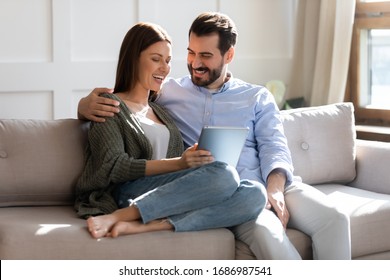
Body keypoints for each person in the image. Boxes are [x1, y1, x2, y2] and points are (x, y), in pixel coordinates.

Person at [78, 13, 351, 259]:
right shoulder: (169, 91)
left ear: (228, 55)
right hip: (216, 187)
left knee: (336, 218)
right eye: (191, 53)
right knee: (268, 231)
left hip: (269, 185)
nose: (195, 63)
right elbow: (127, 100)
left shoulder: (255, 96)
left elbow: (274, 147)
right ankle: (134, 219)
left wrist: (275, 189)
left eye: (206, 56)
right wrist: (83, 107)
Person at [74, 22, 266, 239]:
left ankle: (150, 225)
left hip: (168, 192)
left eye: (168, 61)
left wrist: (192, 164)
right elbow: (113, 167)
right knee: (225, 174)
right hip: (127, 191)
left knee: (255, 193)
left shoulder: (161, 109)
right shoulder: (110, 104)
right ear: (133, 59)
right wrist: (180, 163)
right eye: (156, 59)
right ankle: (121, 215)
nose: (164, 68)